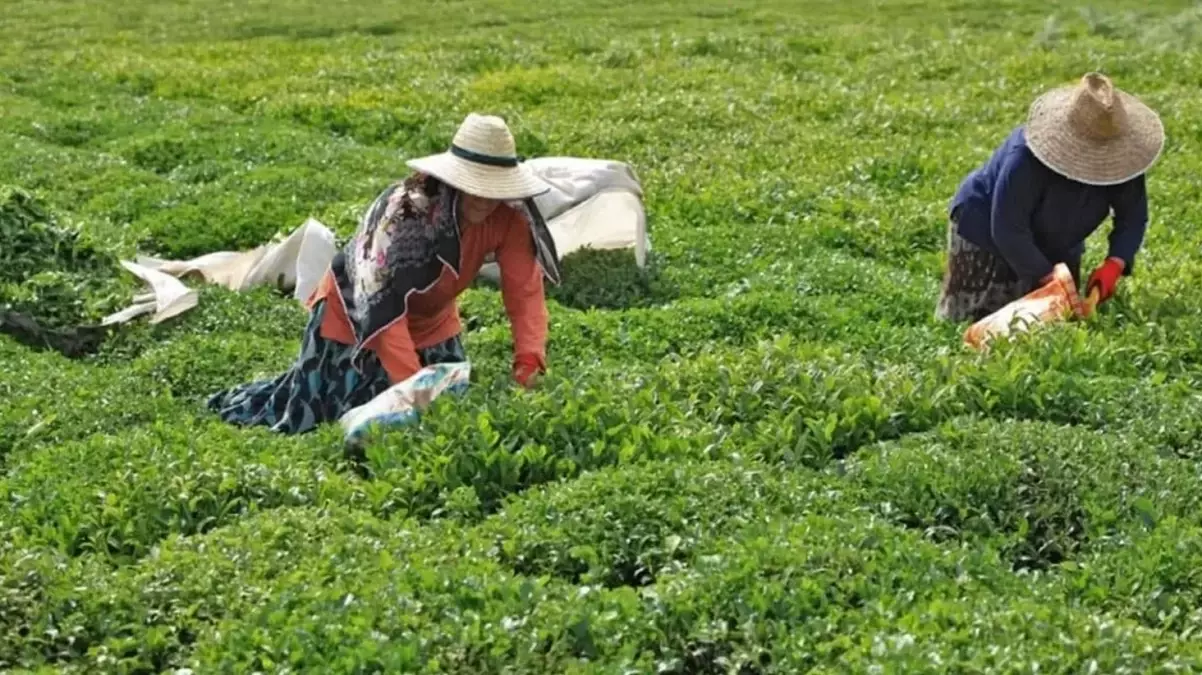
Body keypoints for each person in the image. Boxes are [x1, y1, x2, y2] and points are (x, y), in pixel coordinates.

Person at [208, 113, 563, 434]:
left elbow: (525, 295)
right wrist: (412, 390)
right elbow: (380, 305)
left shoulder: (510, 218)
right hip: (355, 320)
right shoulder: (405, 215)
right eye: (477, 188)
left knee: (451, 407)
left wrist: (528, 367)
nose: (485, 200)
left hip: (432, 324)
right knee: (327, 417)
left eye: (494, 189)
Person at [936, 72, 1165, 322]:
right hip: (986, 229)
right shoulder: (1024, 158)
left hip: (1061, 235)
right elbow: (1008, 228)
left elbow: (1132, 217)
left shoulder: (1124, 162)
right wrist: (1045, 275)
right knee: (981, 319)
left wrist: (1115, 262)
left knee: (1058, 318)